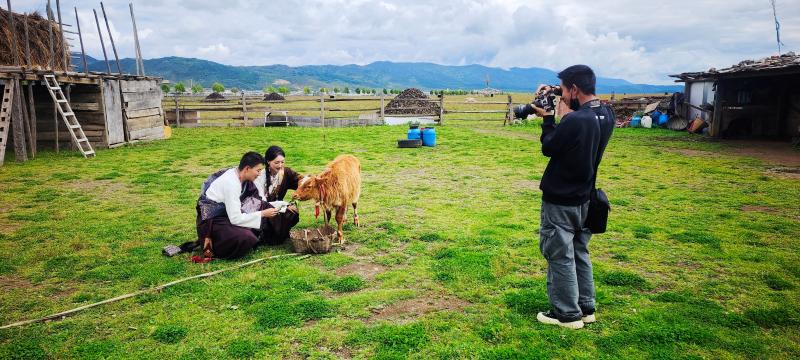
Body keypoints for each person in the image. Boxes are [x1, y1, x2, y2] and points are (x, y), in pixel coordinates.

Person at [530, 65, 615, 329]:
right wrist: (557, 91)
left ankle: (566, 314)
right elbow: (581, 108)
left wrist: (547, 117)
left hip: (561, 199)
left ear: (575, 89)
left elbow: (549, 146)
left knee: (559, 254)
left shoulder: (575, 120)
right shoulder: (604, 114)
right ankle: (586, 307)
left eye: (565, 89)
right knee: (580, 251)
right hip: (585, 197)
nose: (563, 95)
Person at [195, 152, 279, 259]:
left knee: (264, 209)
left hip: (227, 213)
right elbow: (235, 219)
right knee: (247, 238)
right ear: (247, 169)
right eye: (258, 170)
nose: (259, 174)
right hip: (214, 218)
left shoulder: (238, 173)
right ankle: (217, 245)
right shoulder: (231, 184)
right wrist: (262, 214)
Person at [254, 145, 303, 245]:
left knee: (293, 213)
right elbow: (261, 203)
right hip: (264, 210)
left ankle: (281, 235)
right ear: (268, 161)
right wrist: (285, 205)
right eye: (276, 162)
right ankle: (267, 236)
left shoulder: (286, 172)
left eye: (282, 162)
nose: (280, 165)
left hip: (279, 208)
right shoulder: (259, 177)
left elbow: (301, 181)